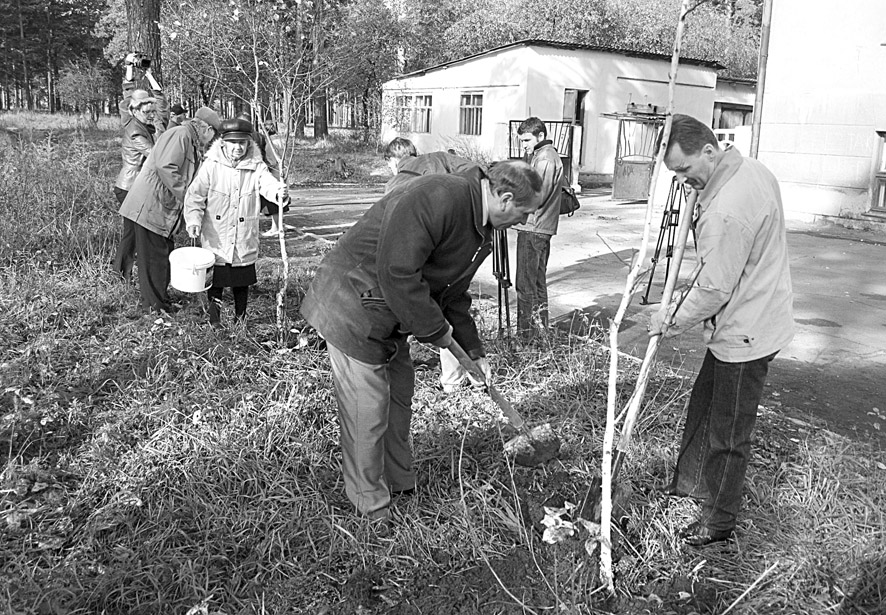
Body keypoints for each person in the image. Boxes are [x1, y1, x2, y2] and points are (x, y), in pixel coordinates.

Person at [300, 160, 543, 524]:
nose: (524, 221)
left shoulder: (479, 226)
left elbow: (452, 295)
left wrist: (472, 352)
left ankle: (399, 484)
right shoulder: (438, 197)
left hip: (389, 311)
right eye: (524, 212)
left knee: (399, 394)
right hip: (352, 304)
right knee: (366, 407)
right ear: (505, 199)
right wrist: (435, 331)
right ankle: (371, 507)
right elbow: (398, 271)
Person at [649, 113, 794, 547]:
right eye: (674, 173)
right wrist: (698, 188)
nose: (680, 181)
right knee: (704, 406)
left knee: (728, 432)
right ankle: (691, 487)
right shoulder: (749, 168)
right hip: (750, 314)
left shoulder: (728, 209)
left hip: (745, 332)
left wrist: (668, 319)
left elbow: (712, 288)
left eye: (684, 170)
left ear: (709, 151)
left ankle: (718, 521)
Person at [382, 137, 484, 393]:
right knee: (454, 306)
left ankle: (449, 381)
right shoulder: (440, 158)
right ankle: (467, 377)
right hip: (456, 246)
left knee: (422, 312)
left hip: (420, 260)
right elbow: (477, 171)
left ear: (394, 161)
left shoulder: (396, 182)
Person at [118, 106, 222, 315]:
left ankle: (159, 301)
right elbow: (167, 167)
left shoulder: (188, 140)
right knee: (154, 258)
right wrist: (188, 197)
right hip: (150, 208)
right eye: (213, 136)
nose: (211, 141)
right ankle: (153, 308)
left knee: (162, 255)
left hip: (160, 209)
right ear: (207, 129)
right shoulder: (180, 135)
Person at [184, 118, 288, 325]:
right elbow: (195, 195)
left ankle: (240, 320)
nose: (238, 148)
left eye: (242, 143)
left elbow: (267, 185)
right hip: (217, 235)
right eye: (233, 143)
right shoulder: (211, 166)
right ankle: (215, 321)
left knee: (242, 281)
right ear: (223, 142)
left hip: (243, 234)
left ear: (249, 143)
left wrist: (279, 192)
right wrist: (193, 220)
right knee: (216, 281)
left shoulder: (256, 166)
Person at [513, 117, 565, 340]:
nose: (523, 144)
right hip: (539, 228)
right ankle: (540, 331)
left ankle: (525, 336)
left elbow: (536, 196)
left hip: (534, 228)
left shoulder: (545, 159)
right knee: (536, 283)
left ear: (540, 136)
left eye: (526, 140)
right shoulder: (542, 156)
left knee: (525, 285)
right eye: (522, 140)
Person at [112, 89, 157, 283]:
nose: (151, 115)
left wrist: (133, 73)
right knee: (136, 234)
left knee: (131, 233)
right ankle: (125, 275)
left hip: (131, 186)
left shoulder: (133, 122)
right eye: (147, 112)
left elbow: (125, 100)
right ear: (135, 111)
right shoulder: (137, 131)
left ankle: (121, 274)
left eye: (152, 111)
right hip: (131, 188)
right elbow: (155, 155)